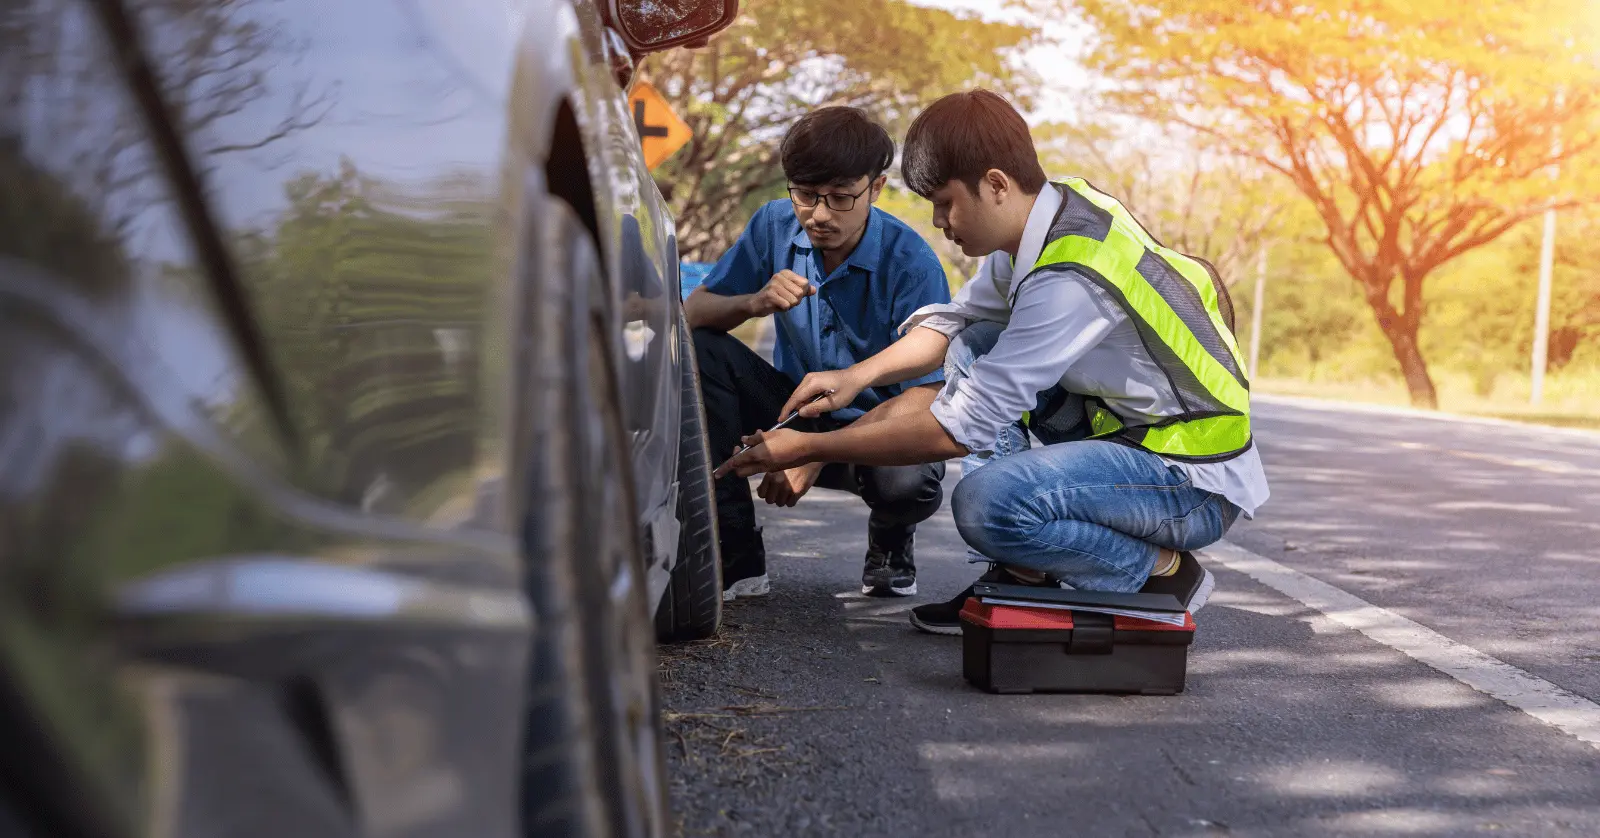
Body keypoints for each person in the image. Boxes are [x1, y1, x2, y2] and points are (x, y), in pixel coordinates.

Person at [715, 89, 1269, 634]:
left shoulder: (1068, 276)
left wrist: (809, 446)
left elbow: (960, 429)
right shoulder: (1050, 214)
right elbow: (953, 323)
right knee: (976, 338)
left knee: (986, 506)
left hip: (1188, 479)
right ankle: (1018, 576)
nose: (938, 221)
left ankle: (1160, 571)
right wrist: (853, 378)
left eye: (945, 202)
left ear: (996, 185)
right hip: (1133, 439)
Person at [686, 106, 953, 601]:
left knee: (907, 485)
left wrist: (813, 453)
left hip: (881, 430)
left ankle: (892, 539)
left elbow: (932, 394)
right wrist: (753, 301)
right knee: (702, 351)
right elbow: (693, 312)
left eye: (840, 197)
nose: (819, 214)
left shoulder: (911, 261)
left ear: (875, 188)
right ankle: (735, 553)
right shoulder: (773, 224)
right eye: (806, 195)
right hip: (796, 411)